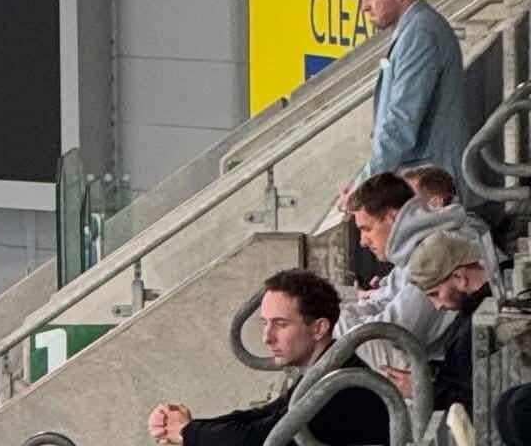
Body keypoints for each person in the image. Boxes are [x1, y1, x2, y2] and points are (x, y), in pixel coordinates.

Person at [146, 269, 389, 446]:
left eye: (280, 324)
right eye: (265, 323)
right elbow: (258, 417)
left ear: (319, 328)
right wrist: (186, 429)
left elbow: (264, 437)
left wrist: (189, 433)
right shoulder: (327, 369)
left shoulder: (339, 384)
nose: (267, 338)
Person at [339, 0, 469, 208]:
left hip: (431, 187)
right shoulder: (416, 29)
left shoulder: (420, 32)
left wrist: (365, 182)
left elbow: (401, 122)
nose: (364, 6)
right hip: (425, 182)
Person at [339, 174, 466, 360]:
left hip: (441, 372)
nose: (362, 242)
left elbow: (396, 331)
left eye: (366, 229)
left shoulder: (432, 252)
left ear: (392, 217)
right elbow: (382, 301)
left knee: (341, 332)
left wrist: (343, 320)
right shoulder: (414, 248)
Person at [379, 231, 492, 411]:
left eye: (435, 294)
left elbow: (478, 403)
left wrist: (423, 391)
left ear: (459, 277)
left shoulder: (476, 327)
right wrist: (430, 372)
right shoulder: (474, 311)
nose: (437, 306)